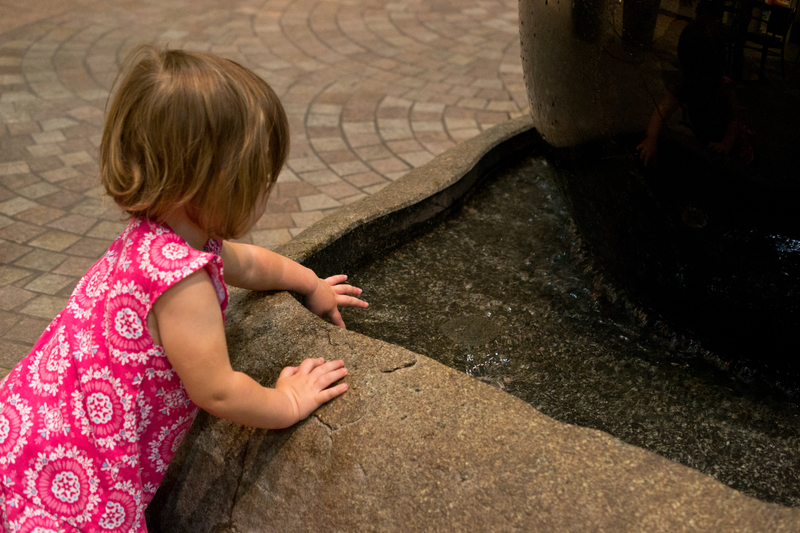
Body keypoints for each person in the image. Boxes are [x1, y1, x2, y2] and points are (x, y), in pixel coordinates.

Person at [0, 45, 368, 532]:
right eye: (259, 175)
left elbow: (250, 264)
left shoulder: (160, 237)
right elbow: (217, 390)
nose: (266, 188)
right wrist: (289, 401)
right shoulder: (183, 284)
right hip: (76, 482)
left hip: (29, 427)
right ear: (211, 181)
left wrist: (310, 283)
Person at [637, 17, 754, 167]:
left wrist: (726, 144)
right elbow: (662, 111)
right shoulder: (688, 83)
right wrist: (651, 139)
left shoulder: (724, 87)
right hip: (706, 140)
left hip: (732, 146)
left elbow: (734, 121)